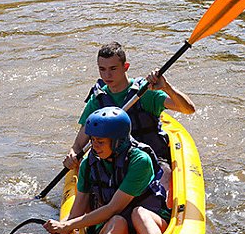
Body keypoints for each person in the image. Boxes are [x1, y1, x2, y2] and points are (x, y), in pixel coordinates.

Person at [44, 107, 170, 234]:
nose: (94, 146)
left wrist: (67, 226)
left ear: (118, 142)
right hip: (117, 231)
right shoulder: (89, 164)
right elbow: (76, 213)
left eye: (100, 141)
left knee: (140, 214)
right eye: (92, 140)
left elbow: (114, 208)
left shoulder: (140, 161)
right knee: (117, 222)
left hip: (148, 223)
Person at [63, 42, 196, 171]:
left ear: (125, 67)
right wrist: (72, 154)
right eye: (102, 69)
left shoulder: (145, 92)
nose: (107, 75)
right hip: (116, 165)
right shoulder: (97, 100)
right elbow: (79, 144)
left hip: (152, 161)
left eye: (113, 69)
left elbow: (188, 109)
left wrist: (167, 87)